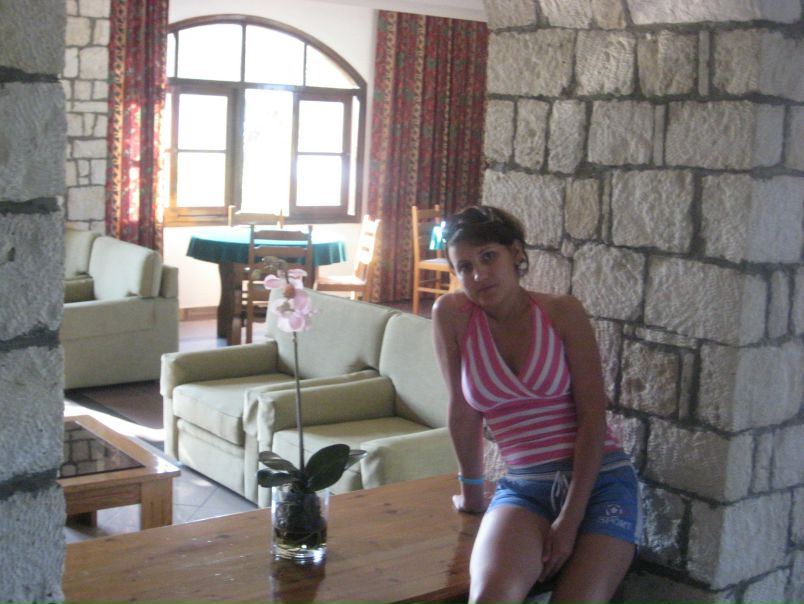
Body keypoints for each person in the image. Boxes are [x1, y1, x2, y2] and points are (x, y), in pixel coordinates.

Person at [431, 205, 640, 604]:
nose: (478, 275)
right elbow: (463, 410)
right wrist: (471, 492)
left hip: (601, 482)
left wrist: (570, 520)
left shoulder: (562, 312)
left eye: (488, 257)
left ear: (515, 253)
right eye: (465, 267)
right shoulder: (452, 315)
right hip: (525, 487)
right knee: (488, 598)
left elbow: (593, 418)